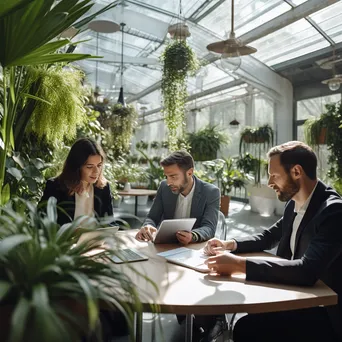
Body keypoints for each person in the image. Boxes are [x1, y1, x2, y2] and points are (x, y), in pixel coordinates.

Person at [203, 141, 342, 342]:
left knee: (247, 328)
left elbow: (306, 271)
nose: (269, 182)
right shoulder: (294, 204)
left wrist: (238, 265)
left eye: (274, 175)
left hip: (322, 314)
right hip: (293, 297)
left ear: (296, 172)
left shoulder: (333, 212)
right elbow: (268, 237)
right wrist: (230, 244)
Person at [135, 150, 226, 342]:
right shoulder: (164, 188)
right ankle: (189, 314)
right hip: (166, 249)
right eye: (167, 176)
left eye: (173, 176)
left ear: (190, 173)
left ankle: (214, 319)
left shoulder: (211, 192)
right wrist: (148, 226)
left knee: (195, 305)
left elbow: (209, 227)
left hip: (193, 250)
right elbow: (152, 216)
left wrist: (193, 235)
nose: (169, 182)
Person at [40, 137, 113, 226]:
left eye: (99, 165)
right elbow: (42, 223)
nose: (96, 171)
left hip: (96, 240)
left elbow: (110, 223)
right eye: (89, 167)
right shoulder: (56, 187)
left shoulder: (103, 188)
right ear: (76, 167)